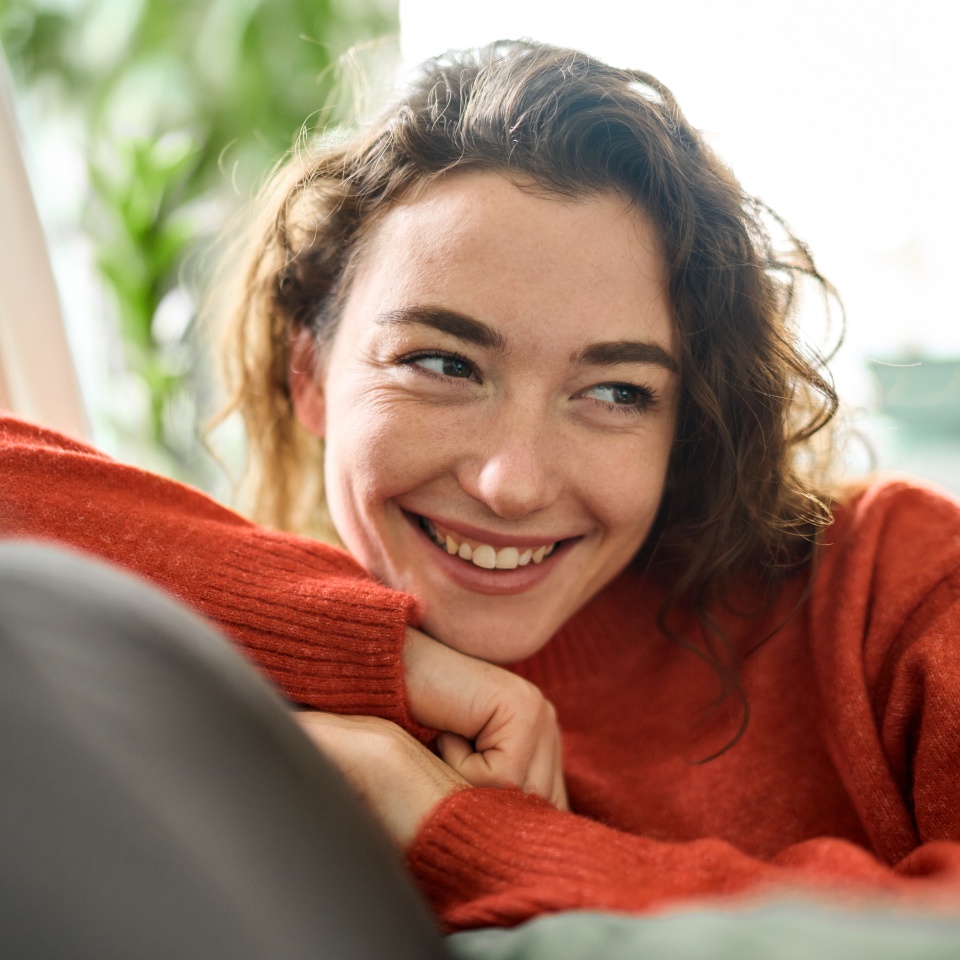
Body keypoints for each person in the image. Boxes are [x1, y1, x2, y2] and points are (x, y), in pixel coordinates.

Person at [2, 38, 960, 939]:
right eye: (444, 364)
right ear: (311, 376)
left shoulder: (890, 585)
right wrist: (371, 655)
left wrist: (459, 831)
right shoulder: (242, 650)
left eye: (618, 392)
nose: (512, 483)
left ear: (687, 424)